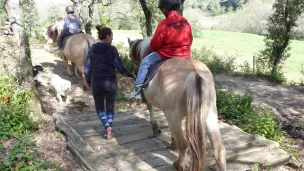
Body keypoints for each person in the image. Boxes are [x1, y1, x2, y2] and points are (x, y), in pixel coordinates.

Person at [124, 0, 193, 99]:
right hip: (186, 55)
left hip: (166, 54)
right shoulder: (185, 22)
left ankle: (137, 90)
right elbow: (190, 40)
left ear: (164, 9)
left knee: (144, 63)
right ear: (177, 8)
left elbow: (155, 45)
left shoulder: (164, 23)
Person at [84, 25, 135, 140]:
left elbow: (87, 68)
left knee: (100, 108)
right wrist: (130, 75)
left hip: (97, 82)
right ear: (107, 36)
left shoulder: (92, 49)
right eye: (112, 36)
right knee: (110, 107)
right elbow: (120, 67)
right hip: (111, 82)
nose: (112, 39)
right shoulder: (112, 49)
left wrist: (88, 81)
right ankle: (109, 128)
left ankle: (106, 126)